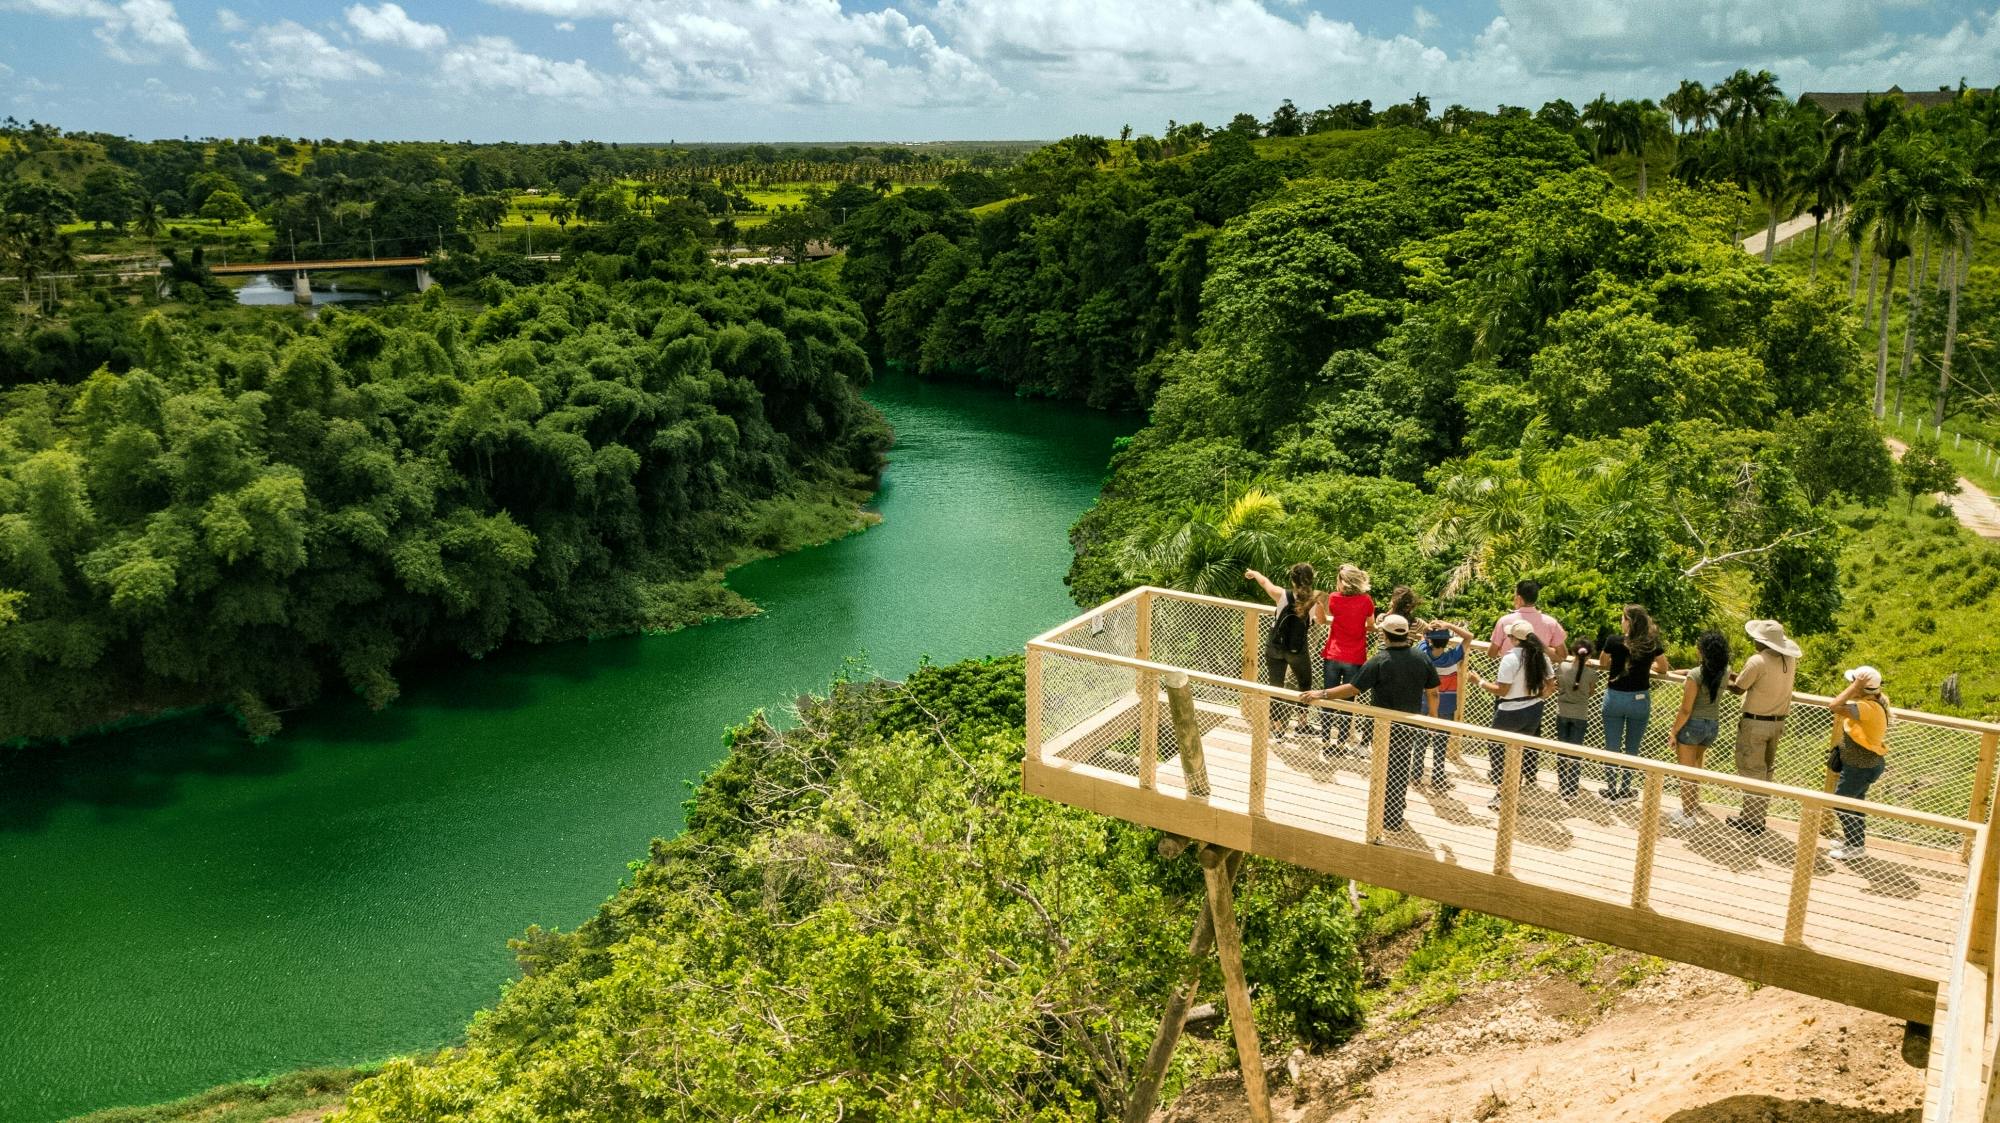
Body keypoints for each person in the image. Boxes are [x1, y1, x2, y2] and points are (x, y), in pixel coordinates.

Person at [1302, 613, 1439, 837]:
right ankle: (1395, 813)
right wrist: (1432, 718)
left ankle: (1385, 813)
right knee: (1401, 766)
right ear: (1406, 634)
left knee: (1383, 768)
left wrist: (1323, 693)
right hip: (1411, 723)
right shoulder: (1421, 658)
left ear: (1384, 634)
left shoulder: (1380, 660)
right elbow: (1433, 691)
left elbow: (1353, 688)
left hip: (1383, 725)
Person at [1725, 619, 1801, 835]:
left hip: (1755, 723)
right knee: (1766, 771)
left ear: (1763, 642)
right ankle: (1758, 816)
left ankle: (1751, 821)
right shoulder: (1789, 660)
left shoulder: (1757, 661)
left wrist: (1721, 679)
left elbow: (1739, 688)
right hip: (1777, 722)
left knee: (1751, 770)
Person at [1468, 621, 1555, 811]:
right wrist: (1539, 697)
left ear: (1515, 639)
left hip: (1510, 711)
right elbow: (1551, 685)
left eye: (1509, 637)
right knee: (1519, 751)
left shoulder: (1510, 659)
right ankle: (1513, 790)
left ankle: (1501, 793)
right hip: (1533, 709)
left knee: (1498, 750)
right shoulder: (1541, 657)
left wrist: (1479, 681)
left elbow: (1502, 690)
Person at [1599, 604, 1670, 803]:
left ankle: (1611, 789)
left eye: (1623, 618)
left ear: (1629, 621)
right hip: (1639, 699)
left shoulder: (1613, 641)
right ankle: (1626, 789)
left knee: (1612, 745)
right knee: (1632, 747)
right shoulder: (1650, 643)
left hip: (1614, 698)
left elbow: (1603, 662)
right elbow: (1663, 668)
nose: (1621, 622)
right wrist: (1649, 666)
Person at [1668, 631, 1731, 828]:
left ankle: (1687, 816)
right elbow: (1705, 672)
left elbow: (1686, 710)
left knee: (1685, 773)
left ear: (1702, 652)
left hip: (1692, 725)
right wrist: (1684, 672)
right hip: (1712, 726)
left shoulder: (1696, 676)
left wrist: (1673, 732)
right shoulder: (1726, 672)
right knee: (1696, 768)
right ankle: (1691, 808)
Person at [1828, 666, 1892, 861]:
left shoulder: (1866, 707)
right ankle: (1854, 841)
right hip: (1862, 764)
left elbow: (1834, 706)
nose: (1849, 685)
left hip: (1860, 766)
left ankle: (1855, 846)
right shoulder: (1871, 703)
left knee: (1841, 802)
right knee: (1855, 804)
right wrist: (1858, 687)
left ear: (1862, 687)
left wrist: (1855, 686)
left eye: (1852, 682)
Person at [1245, 564, 1317, 736]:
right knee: (1305, 683)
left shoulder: (1281, 594)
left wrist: (1255, 573)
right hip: (1297, 649)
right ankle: (1302, 724)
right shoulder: (1314, 599)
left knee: (1275, 686)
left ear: (1292, 579)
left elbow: (1264, 582)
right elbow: (1316, 620)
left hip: (1275, 646)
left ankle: (1277, 729)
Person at [1316, 564, 1377, 751]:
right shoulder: (1366, 601)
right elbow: (1371, 625)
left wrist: (1318, 606)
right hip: (1355, 656)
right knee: (1348, 699)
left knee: (1327, 696)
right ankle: (1342, 742)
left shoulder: (1334, 599)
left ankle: (1326, 739)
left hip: (1334, 654)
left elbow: (1323, 620)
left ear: (1343, 582)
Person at [1419, 619, 1472, 791]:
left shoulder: (1422, 652)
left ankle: (1415, 773)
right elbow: (1469, 637)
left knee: (1420, 739)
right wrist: (1448, 626)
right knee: (1441, 742)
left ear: (1429, 640)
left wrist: (1429, 628)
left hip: (1424, 701)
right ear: (1447, 641)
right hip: (1447, 704)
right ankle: (1438, 776)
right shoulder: (1452, 657)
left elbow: (1422, 636)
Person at [1551, 640, 1598, 802]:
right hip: (1580, 714)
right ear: (1590, 655)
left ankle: (1562, 785)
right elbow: (1590, 692)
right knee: (1576, 752)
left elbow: (1557, 685)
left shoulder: (1562, 667)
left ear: (1572, 653)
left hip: (1562, 712)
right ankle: (1571, 789)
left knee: (1562, 750)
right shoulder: (1592, 674)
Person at [1490, 579, 1569, 661]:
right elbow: (1563, 655)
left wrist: (1505, 652)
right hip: (1538, 672)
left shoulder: (1504, 621)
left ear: (1519, 598)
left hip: (1510, 670)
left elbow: (1492, 653)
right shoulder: (1551, 622)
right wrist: (1546, 650)